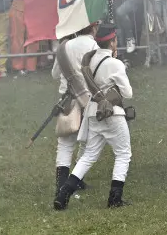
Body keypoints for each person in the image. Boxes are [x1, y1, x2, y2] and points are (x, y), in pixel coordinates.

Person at [54, 23, 133, 210]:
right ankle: (115, 198)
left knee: (88, 155)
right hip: (112, 112)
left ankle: (64, 193)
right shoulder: (115, 63)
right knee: (123, 154)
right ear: (112, 42)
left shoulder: (89, 61)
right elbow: (127, 93)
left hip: (92, 112)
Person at [51, 23, 99, 197]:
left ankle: (62, 185)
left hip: (67, 99)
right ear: (93, 28)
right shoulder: (93, 46)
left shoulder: (64, 46)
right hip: (87, 100)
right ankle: (75, 180)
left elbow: (55, 74)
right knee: (86, 141)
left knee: (65, 144)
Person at [8, 0, 37, 74]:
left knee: (33, 38)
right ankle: (18, 67)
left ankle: (31, 67)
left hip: (32, 9)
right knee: (17, 38)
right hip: (17, 9)